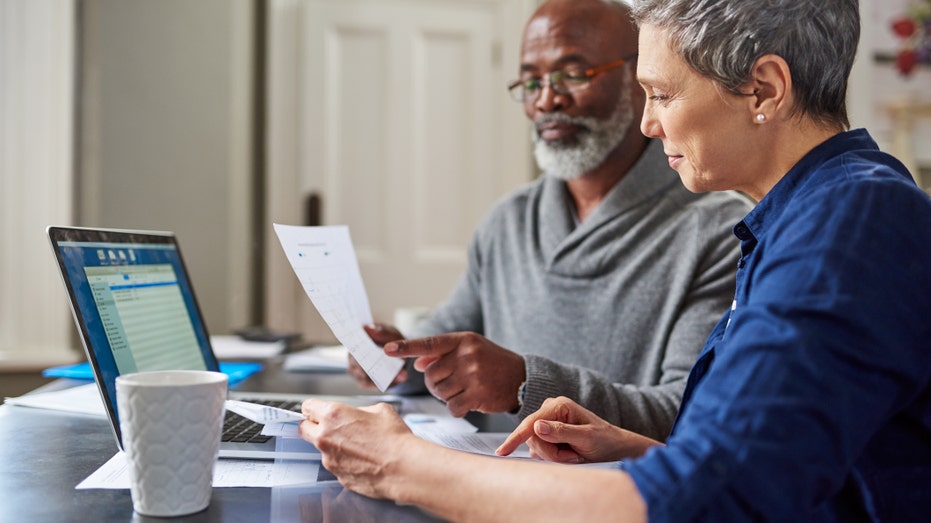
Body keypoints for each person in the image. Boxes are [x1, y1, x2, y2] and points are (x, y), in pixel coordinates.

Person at [299, 0, 931, 520]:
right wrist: (633, 447)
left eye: (659, 93)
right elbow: (774, 463)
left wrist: (403, 464)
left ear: (763, 89)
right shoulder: (800, 217)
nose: (649, 124)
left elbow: (708, 499)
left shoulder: (848, 223)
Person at [349, 0, 751, 441]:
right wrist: (399, 354)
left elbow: (687, 408)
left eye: (573, 74)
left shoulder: (720, 232)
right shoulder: (509, 220)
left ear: (638, 80)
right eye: (532, 80)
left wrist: (526, 384)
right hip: (486, 479)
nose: (547, 100)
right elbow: (449, 329)